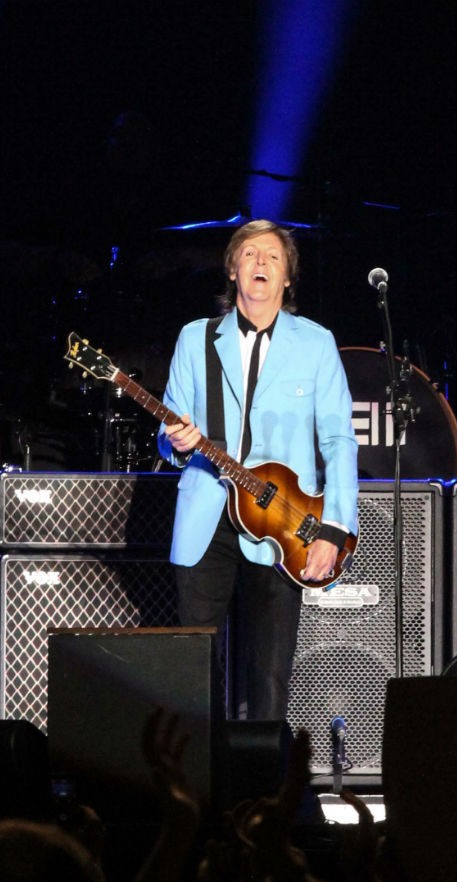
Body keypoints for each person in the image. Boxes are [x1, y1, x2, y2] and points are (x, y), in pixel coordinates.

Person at [157, 219, 358, 721]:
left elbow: (338, 440)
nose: (261, 262)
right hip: (208, 516)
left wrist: (334, 529)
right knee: (196, 669)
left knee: (268, 676)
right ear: (232, 270)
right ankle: (198, 788)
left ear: (288, 277)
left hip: (282, 520)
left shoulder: (316, 343)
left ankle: (266, 791)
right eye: (249, 254)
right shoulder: (195, 338)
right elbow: (169, 433)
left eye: (272, 256)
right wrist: (177, 441)